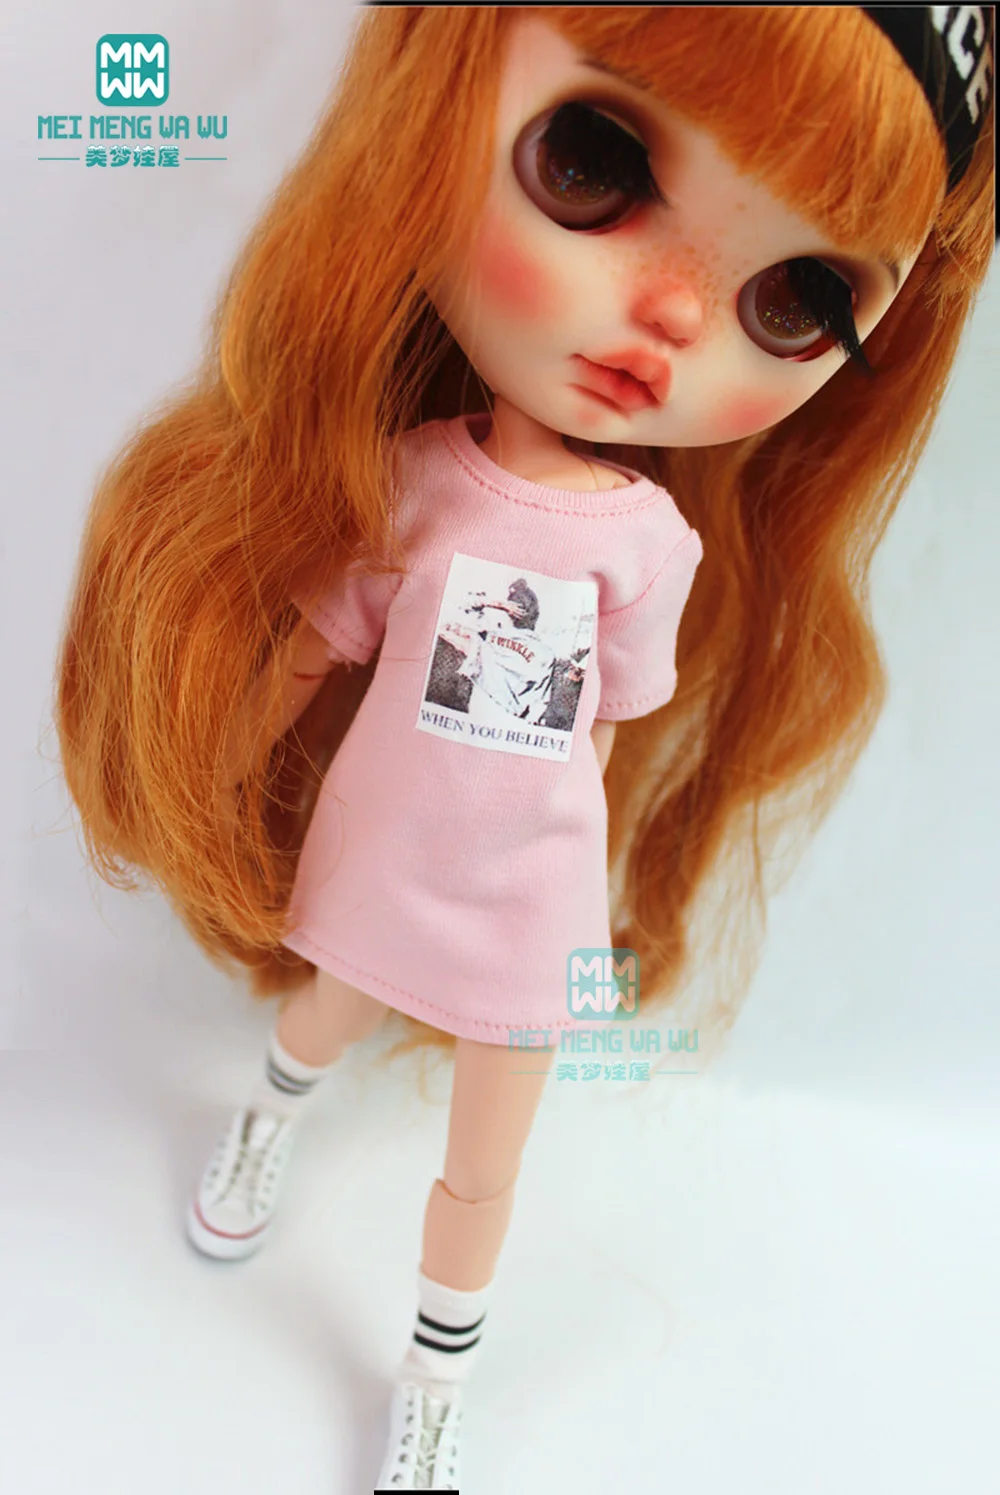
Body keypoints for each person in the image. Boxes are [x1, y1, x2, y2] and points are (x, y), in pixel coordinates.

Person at [54, 7, 995, 1489]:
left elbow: (601, 726)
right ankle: (265, 1122)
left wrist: (556, 861)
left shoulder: (648, 547)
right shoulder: (415, 484)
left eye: (797, 296)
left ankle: (437, 1374)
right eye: (592, 160)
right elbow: (319, 642)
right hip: (386, 846)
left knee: (487, 1159)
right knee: (318, 1021)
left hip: (531, 902)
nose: (669, 315)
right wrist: (233, 756)